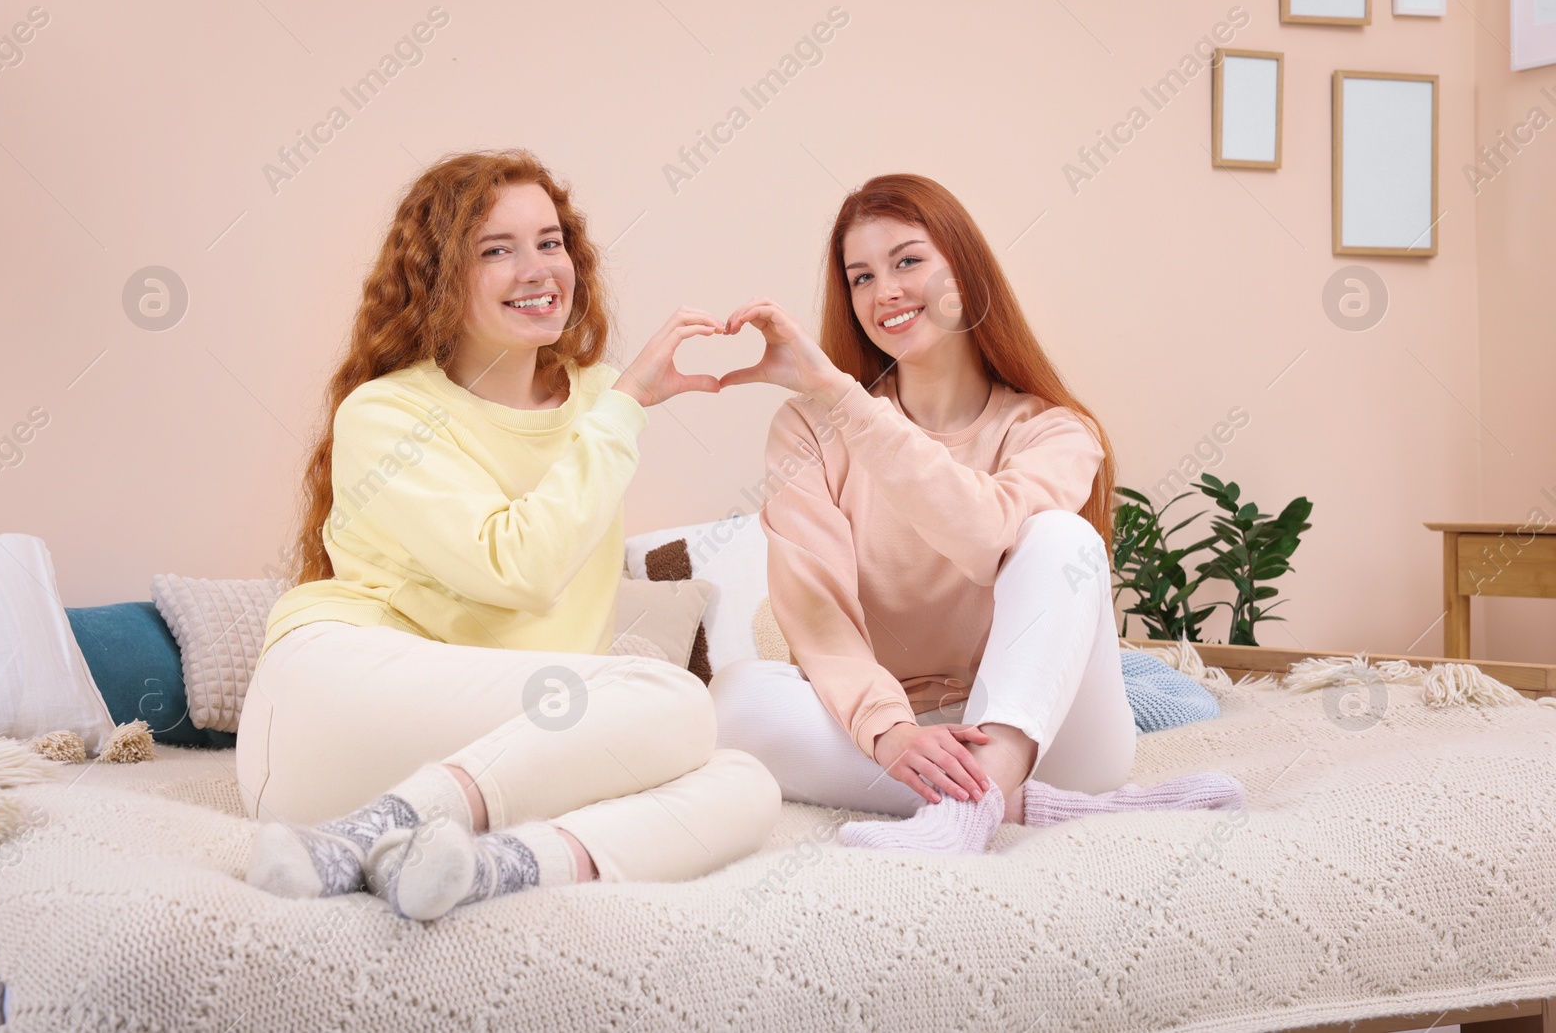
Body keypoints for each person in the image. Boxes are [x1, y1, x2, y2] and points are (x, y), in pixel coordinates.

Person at [236, 149, 780, 921]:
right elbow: (519, 566)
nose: (538, 268)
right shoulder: (384, 413)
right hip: (327, 706)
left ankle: (482, 865)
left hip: (499, 738)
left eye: (550, 241)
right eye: (497, 250)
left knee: (744, 782)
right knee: (676, 699)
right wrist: (625, 407)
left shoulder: (593, 398)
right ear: (437, 278)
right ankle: (374, 827)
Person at [708, 173, 1243, 856]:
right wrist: (892, 732)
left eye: (908, 260)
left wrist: (845, 399)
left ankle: (976, 802)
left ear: (965, 269)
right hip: (909, 739)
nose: (886, 291)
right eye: (861, 276)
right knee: (735, 699)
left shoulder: (1056, 430)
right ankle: (1019, 805)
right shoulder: (808, 429)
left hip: (1053, 734)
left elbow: (986, 535)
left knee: (1060, 537)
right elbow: (819, 618)